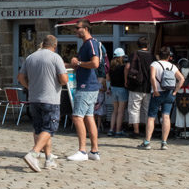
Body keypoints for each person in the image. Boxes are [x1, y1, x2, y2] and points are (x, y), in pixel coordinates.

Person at [18, 34, 66, 172]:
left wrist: (29, 86)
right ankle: (34, 153)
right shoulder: (56, 57)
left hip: (34, 98)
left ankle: (48, 159)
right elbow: (63, 79)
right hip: (50, 99)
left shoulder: (31, 57)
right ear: (55, 46)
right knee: (50, 128)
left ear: (43, 43)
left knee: (40, 129)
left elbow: (20, 77)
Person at [67, 23, 106, 162]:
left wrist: (78, 63)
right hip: (91, 86)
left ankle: (82, 151)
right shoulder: (87, 44)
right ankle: (94, 151)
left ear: (86, 29)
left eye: (78, 28)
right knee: (89, 117)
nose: (75, 30)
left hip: (86, 86)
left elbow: (95, 63)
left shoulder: (90, 43)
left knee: (77, 117)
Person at [139, 47, 185, 150]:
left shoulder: (154, 64)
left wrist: (155, 89)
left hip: (157, 93)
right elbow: (182, 79)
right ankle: (164, 142)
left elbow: (152, 77)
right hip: (169, 93)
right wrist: (175, 91)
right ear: (169, 56)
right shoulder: (173, 66)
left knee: (151, 117)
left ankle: (147, 142)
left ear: (158, 55)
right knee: (166, 116)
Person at [124, 39, 153, 135]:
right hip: (148, 86)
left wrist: (126, 80)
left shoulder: (134, 54)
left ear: (138, 45)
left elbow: (127, 67)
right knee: (147, 110)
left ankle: (136, 131)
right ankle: (147, 131)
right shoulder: (151, 56)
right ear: (147, 45)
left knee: (134, 109)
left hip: (135, 86)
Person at [106, 49, 129, 138]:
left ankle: (111, 130)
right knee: (121, 111)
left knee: (114, 111)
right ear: (121, 57)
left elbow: (108, 79)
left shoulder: (111, 67)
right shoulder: (124, 67)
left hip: (113, 89)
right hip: (122, 89)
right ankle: (118, 131)